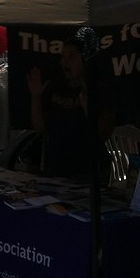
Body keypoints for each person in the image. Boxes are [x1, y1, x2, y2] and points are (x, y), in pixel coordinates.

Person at [27, 31, 115, 179]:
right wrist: (35, 97)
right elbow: (41, 129)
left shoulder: (100, 90)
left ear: (86, 59)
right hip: (55, 169)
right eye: (63, 56)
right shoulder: (56, 87)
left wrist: (89, 110)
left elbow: (104, 133)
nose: (65, 61)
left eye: (72, 56)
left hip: (86, 171)